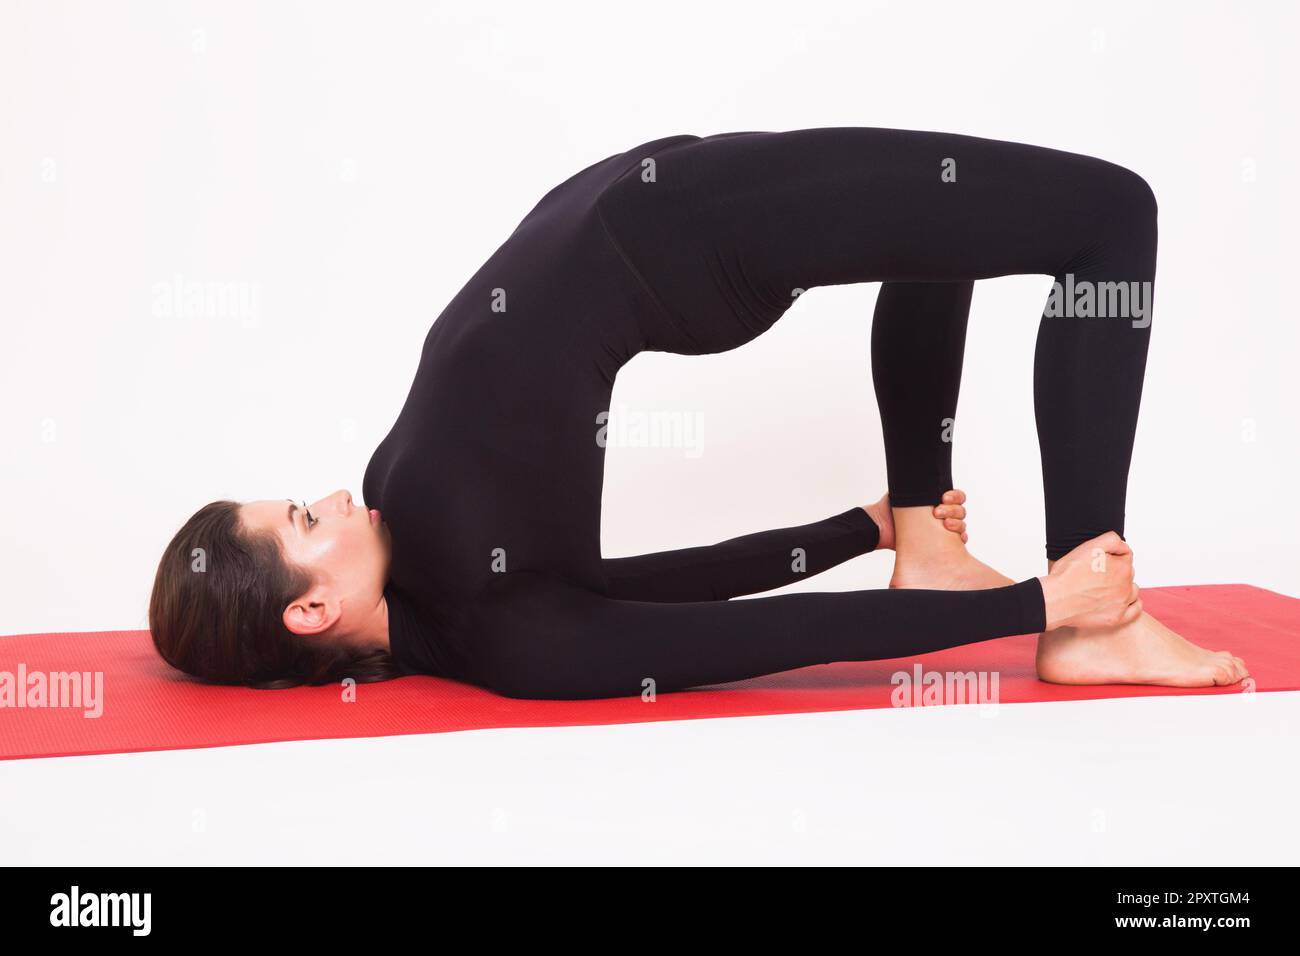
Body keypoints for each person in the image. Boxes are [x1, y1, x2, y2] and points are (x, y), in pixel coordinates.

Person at [150, 128, 1247, 698]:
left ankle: (917, 531)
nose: (331, 495)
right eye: (301, 519)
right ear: (312, 611)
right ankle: (1097, 618)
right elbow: (757, 636)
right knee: (1112, 214)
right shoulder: (507, 637)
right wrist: (1033, 601)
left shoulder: (440, 566)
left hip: (679, 213)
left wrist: (851, 529)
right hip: (698, 237)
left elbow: (664, 581)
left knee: (943, 227)